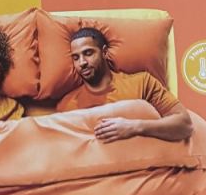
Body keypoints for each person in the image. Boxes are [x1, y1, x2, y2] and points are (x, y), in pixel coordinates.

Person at [56, 27, 194, 143]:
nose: (82, 63)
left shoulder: (142, 83)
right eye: (76, 57)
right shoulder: (67, 105)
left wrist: (134, 127)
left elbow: (185, 124)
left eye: (88, 53)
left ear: (104, 52)